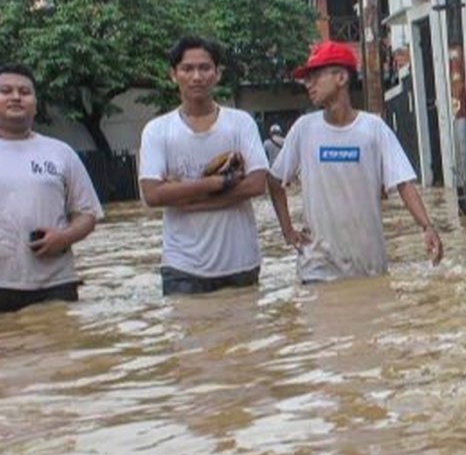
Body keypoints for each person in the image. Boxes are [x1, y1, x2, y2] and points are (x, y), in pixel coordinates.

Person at [267, 41, 443, 283]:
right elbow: (274, 180)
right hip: (317, 269)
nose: (308, 84)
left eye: (315, 76)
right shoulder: (304, 129)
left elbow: (404, 184)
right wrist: (287, 231)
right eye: (307, 78)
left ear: (341, 78)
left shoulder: (374, 129)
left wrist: (427, 227)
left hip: (368, 266)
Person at [137, 37, 269, 295]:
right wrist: (217, 183)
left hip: (240, 263)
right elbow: (152, 195)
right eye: (187, 69)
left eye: (205, 68)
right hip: (182, 267)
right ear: (173, 74)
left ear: (217, 74)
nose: (197, 77)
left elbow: (257, 184)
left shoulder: (241, 123)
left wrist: (187, 198)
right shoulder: (157, 130)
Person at [0, 63, 103, 312]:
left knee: (60, 336)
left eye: (25, 92)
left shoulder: (61, 152)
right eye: (6, 91)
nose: (16, 97)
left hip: (56, 282)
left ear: (36, 104)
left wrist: (63, 238)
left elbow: (87, 214)